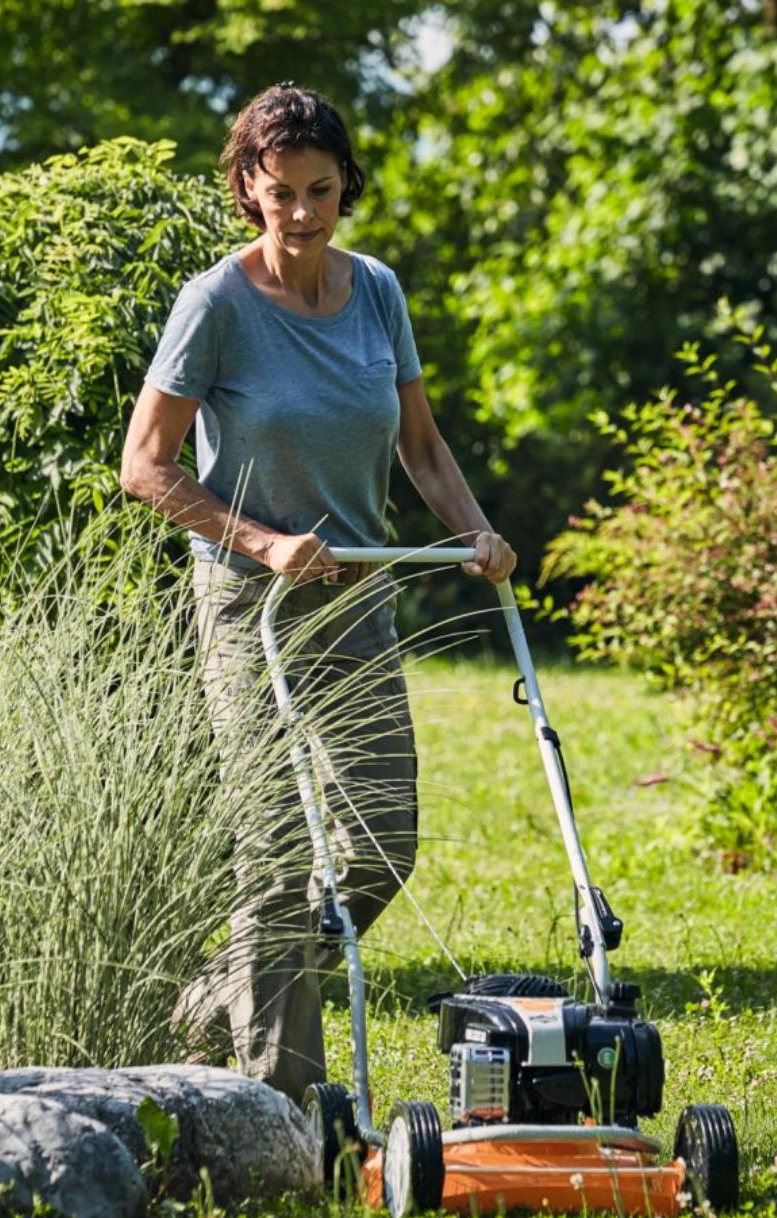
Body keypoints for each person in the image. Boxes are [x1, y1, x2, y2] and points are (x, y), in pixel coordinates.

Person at [119, 82, 515, 1101]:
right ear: (247, 188)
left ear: (346, 186)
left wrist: (473, 532)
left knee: (380, 840)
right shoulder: (215, 304)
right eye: (281, 191)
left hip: (358, 599)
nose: (301, 212)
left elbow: (420, 446)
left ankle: (219, 998)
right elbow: (145, 465)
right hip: (249, 605)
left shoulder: (375, 290)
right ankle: (285, 1111)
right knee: (274, 849)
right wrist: (261, 541)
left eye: (321, 190)